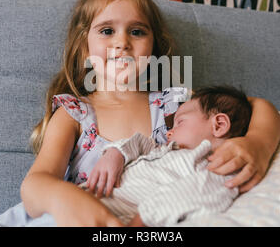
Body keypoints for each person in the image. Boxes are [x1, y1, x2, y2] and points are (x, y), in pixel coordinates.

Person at [0, 0, 280, 227]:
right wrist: (62, 198)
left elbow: (258, 106)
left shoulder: (173, 107)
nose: (122, 42)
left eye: (137, 31)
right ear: (85, 47)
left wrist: (258, 143)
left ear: (153, 46)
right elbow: (35, 185)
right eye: (106, 31)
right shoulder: (76, 113)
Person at [84, 85, 252, 226]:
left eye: (180, 122)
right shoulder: (166, 150)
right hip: (87, 198)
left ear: (219, 125)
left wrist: (142, 219)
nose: (169, 132)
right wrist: (115, 154)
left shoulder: (216, 167)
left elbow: (184, 195)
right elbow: (140, 142)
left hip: (118, 214)